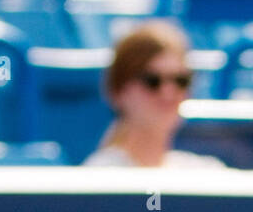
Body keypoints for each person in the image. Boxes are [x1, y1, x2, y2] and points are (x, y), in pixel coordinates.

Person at [83, 21, 225, 168]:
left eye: (181, 81)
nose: (168, 93)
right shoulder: (99, 175)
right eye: (152, 81)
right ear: (119, 91)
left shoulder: (205, 170)